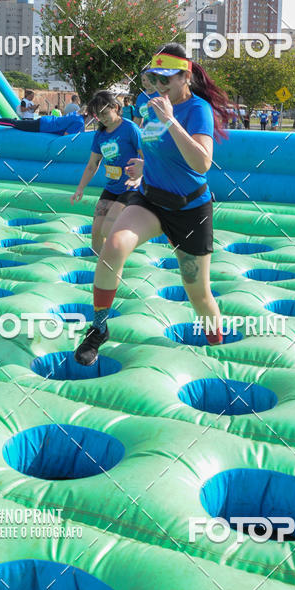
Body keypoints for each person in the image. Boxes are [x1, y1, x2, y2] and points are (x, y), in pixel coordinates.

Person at [74, 42, 230, 366]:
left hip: (189, 209)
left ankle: (218, 347)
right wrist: (146, 166)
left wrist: (172, 121)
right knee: (113, 246)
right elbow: (156, 148)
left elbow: (201, 163)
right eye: (153, 79)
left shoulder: (196, 109)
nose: (158, 87)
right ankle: (99, 328)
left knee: (199, 295)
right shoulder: (148, 103)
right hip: (150, 199)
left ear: (185, 76)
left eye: (165, 80)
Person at [71, 91, 142, 254]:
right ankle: (97, 263)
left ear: (116, 107)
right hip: (111, 188)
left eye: (105, 113)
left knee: (108, 228)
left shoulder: (130, 128)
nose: (102, 118)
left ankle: (117, 257)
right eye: (98, 115)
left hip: (130, 187)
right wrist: (80, 188)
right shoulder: (100, 135)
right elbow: (92, 165)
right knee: (96, 231)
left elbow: (149, 158)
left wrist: (140, 175)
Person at [0, 112, 84, 135]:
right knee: (14, 124)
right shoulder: (80, 121)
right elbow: (66, 135)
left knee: (16, 123)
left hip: (46, 121)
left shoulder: (77, 114)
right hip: (44, 125)